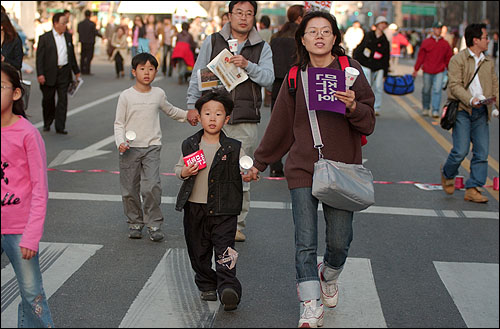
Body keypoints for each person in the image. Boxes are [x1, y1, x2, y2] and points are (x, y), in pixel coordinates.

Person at [246, 10, 375, 328]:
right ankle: (309, 304)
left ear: (335, 37)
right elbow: (280, 126)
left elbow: (369, 121)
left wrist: (353, 107)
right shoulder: (294, 77)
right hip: (303, 167)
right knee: (304, 241)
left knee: (339, 241)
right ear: (301, 39)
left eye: (326, 31)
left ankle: (328, 274)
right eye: (312, 31)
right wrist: (260, 163)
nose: (319, 36)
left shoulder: (352, 72)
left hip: (343, 168)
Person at [187, 1, 274, 243]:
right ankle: (206, 218)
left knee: (241, 171)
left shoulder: (261, 46)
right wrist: (192, 105)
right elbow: (199, 72)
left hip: (245, 118)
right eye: (239, 13)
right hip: (213, 114)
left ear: (254, 17)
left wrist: (248, 65)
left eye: (249, 14)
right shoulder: (213, 40)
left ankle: (236, 223)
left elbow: (268, 78)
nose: (244, 18)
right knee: (207, 168)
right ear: (229, 15)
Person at [175, 88, 250, 312]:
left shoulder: (234, 147)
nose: (212, 118)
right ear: (198, 116)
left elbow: (246, 166)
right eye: (207, 113)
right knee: (198, 251)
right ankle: (207, 283)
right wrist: (185, 172)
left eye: (218, 114)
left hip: (224, 209)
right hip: (195, 207)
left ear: (226, 118)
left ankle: (229, 287)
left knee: (225, 250)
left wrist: (248, 172)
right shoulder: (190, 144)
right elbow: (179, 168)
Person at [114, 52, 194, 241]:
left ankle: (154, 224)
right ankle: (134, 221)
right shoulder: (126, 96)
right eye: (142, 69)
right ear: (134, 72)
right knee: (129, 189)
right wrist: (120, 143)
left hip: (152, 147)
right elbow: (119, 123)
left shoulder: (158, 94)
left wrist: (187, 116)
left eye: (151, 69)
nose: (147, 73)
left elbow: (171, 110)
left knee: (151, 187)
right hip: (129, 149)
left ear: (156, 71)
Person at [1, 61, 55, 328]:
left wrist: (31, 236)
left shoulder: (28, 134)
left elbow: (39, 189)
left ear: (16, 93)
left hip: (19, 229)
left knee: (31, 294)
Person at [441, 23, 499, 203]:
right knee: (460, 151)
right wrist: (470, 99)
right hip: (463, 110)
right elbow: (454, 85)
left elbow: (495, 86)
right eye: (485, 37)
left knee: (482, 152)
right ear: (475, 40)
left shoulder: (488, 62)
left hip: (482, 111)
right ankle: (448, 173)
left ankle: (473, 188)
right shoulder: (458, 59)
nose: (488, 40)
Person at [268, 4, 305, 177]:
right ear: (299, 19)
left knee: (277, 125)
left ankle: (275, 165)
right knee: (298, 125)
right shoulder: (302, 38)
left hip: (277, 85)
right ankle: (296, 164)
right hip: (296, 84)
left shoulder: (276, 37)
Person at [36, 12, 80, 135]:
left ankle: (60, 126)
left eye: (66, 23)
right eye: (63, 23)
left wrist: (76, 71)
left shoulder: (68, 37)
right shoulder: (45, 38)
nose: (65, 25)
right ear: (55, 24)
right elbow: (39, 58)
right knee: (48, 100)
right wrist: (40, 74)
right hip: (49, 73)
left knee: (63, 100)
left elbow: (71, 56)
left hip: (64, 73)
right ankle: (47, 121)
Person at [412, 22, 453, 118]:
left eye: (439, 28)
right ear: (433, 29)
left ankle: (435, 109)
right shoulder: (426, 42)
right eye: (436, 28)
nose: (438, 30)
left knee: (437, 90)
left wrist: (450, 70)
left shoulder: (445, 44)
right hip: (427, 70)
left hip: (439, 70)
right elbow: (421, 57)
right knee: (426, 90)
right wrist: (416, 69)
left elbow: (448, 58)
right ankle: (426, 108)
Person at [353, 16, 390, 116]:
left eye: (384, 24)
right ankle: (366, 106)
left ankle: (376, 108)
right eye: (381, 23)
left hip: (379, 67)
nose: (382, 25)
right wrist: (355, 61)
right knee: (366, 86)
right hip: (366, 64)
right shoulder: (369, 35)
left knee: (378, 87)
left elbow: (386, 57)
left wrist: (385, 72)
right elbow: (360, 48)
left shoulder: (385, 40)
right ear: (377, 24)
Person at [77, 10, 102, 75]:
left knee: (83, 56)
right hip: (90, 42)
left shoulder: (80, 24)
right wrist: (101, 36)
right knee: (89, 56)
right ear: (90, 15)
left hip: (83, 42)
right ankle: (87, 70)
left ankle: (82, 70)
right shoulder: (92, 24)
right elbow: (95, 32)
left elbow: (78, 31)